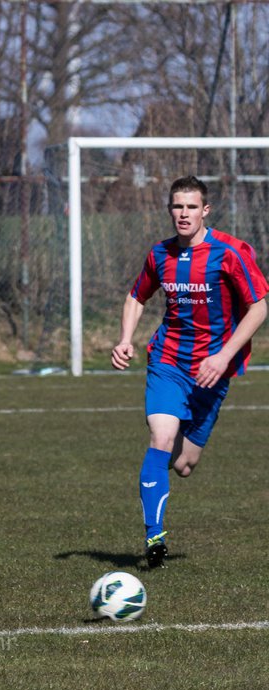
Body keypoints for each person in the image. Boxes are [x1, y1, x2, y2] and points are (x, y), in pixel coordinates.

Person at [110, 175, 268, 569]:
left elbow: (260, 306)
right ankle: (154, 537)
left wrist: (224, 356)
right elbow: (136, 295)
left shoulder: (229, 252)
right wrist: (125, 338)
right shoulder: (159, 255)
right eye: (177, 207)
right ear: (170, 210)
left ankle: (162, 464)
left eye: (191, 207)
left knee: (183, 465)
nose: (183, 214)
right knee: (160, 438)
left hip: (213, 371)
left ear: (205, 210)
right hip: (167, 361)